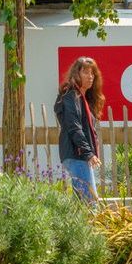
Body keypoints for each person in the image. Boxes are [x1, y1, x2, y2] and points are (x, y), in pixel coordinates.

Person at [55, 56, 105, 204]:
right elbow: (74, 127)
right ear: (76, 74)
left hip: (79, 155)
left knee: (80, 203)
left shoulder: (83, 98)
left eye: (92, 73)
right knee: (90, 202)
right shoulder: (71, 96)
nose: (90, 77)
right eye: (85, 72)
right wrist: (88, 153)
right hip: (77, 155)